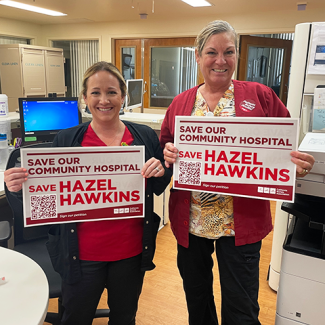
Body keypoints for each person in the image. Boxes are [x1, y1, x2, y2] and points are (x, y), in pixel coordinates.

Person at [160, 20, 315, 325]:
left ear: (237, 55)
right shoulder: (180, 103)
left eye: (228, 52)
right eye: (212, 52)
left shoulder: (260, 96)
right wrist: (167, 153)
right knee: (197, 300)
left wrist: (296, 168)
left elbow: (285, 148)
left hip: (239, 224)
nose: (221, 61)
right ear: (197, 56)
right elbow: (166, 143)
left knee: (241, 307)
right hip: (191, 222)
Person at [4, 61, 172, 325]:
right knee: (75, 318)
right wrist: (17, 188)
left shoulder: (143, 137)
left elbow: (158, 186)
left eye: (111, 92)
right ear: (84, 98)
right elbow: (46, 200)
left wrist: (161, 169)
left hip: (130, 253)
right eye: (95, 92)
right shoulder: (66, 140)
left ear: (123, 96)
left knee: (124, 317)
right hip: (80, 255)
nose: (103, 100)